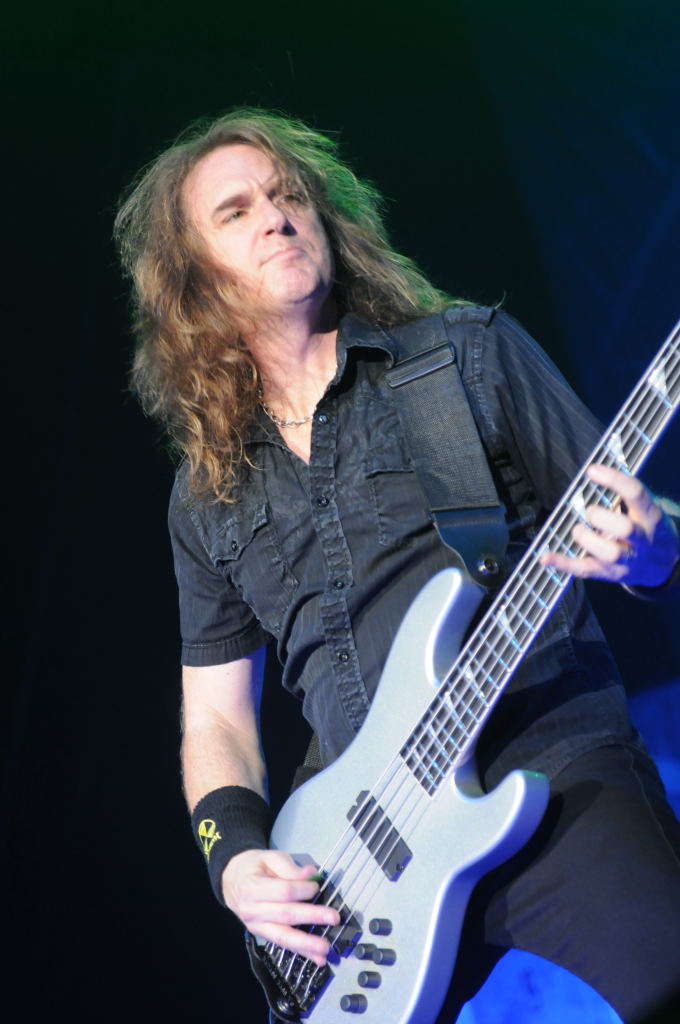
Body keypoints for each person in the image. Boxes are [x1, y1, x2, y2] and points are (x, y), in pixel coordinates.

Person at [115, 109, 680, 1023]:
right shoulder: (206, 491)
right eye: (236, 211)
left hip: (557, 764)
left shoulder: (466, 355)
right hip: (360, 867)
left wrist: (657, 548)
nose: (276, 216)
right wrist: (234, 858)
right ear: (190, 279)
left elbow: (633, 516)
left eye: (289, 194)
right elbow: (216, 718)